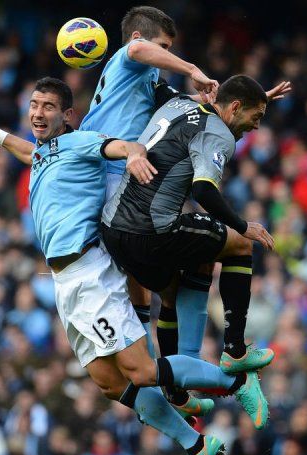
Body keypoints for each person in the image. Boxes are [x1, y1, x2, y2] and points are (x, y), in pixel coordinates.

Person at [0, 77, 269, 455]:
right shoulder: (47, 153)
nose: (37, 113)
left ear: (68, 115)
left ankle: (237, 383)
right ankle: (198, 448)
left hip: (90, 273)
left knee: (140, 370)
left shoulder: (81, 141)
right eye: (33, 104)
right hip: (64, 284)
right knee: (110, 383)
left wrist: (135, 153)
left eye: (48, 106)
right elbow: (27, 152)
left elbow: (118, 147)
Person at [101, 75, 276, 383]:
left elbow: (158, 84)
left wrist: (260, 97)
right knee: (239, 244)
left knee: (172, 291)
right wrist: (242, 226)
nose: (257, 126)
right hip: (152, 230)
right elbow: (204, 191)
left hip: (113, 230)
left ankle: (175, 389)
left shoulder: (177, 102)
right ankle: (235, 351)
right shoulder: (217, 133)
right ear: (234, 107)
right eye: (256, 116)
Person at [79, 6, 219, 384]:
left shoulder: (147, 79)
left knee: (147, 278)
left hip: (112, 171)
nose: (166, 54)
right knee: (152, 266)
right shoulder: (130, 59)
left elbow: (184, 107)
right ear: (141, 38)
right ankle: (171, 368)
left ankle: (170, 373)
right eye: (164, 46)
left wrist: (239, 106)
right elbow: (139, 51)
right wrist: (192, 68)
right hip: (110, 169)